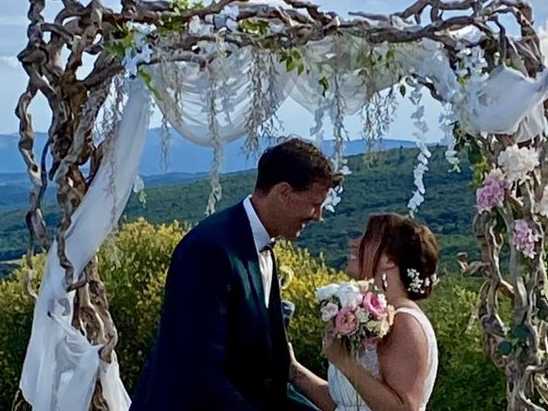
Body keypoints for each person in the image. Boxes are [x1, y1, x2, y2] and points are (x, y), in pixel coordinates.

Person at [130, 137, 341, 410]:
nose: (318, 215)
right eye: (314, 204)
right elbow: (197, 368)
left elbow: (264, 369)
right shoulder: (209, 249)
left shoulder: (262, 245)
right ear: (283, 192)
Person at [289, 213, 440, 411]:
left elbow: (404, 408)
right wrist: (293, 370)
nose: (354, 243)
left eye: (367, 238)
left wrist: (343, 360)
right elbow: (346, 404)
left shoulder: (405, 322)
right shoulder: (374, 317)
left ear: (389, 259)